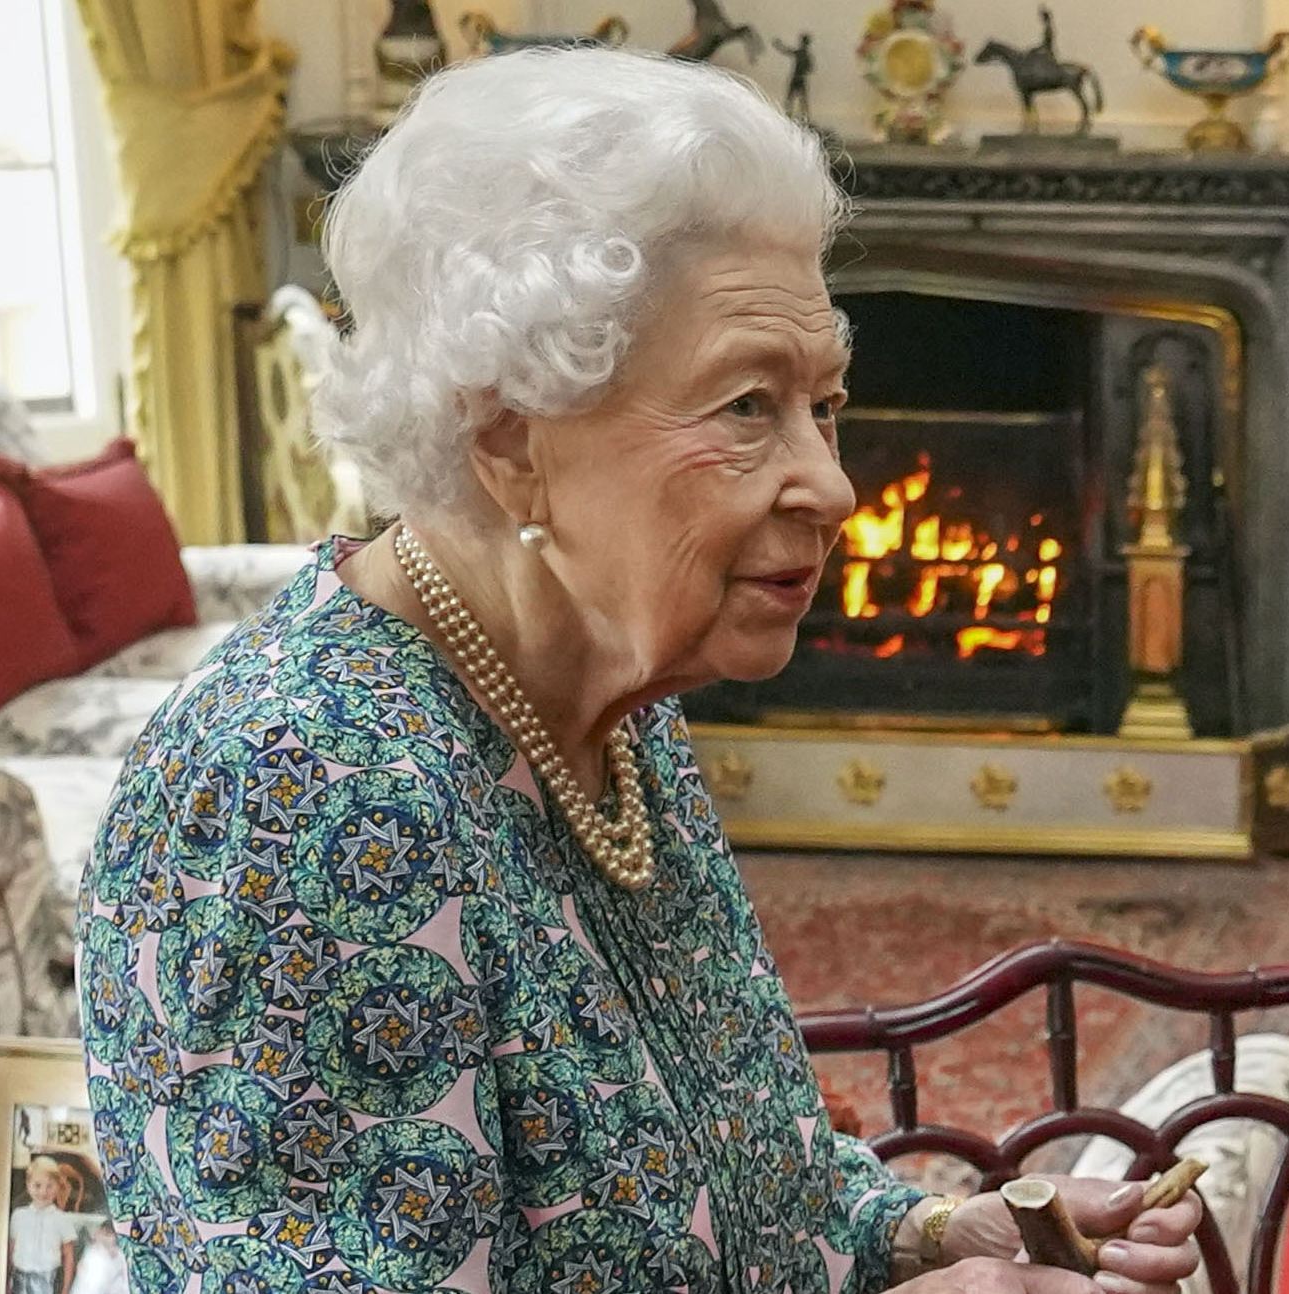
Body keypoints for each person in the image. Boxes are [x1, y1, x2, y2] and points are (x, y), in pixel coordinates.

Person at [76, 46, 1203, 1294]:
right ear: (511, 439)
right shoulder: (297, 799)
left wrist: (946, 1233)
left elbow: (741, 1175)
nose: (831, 486)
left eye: (820, 403)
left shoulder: (606, 707)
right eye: (742, 408)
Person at [5, 1160, 70, 1294]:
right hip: (20, 1278)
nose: (43, 1192)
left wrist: (65, 1288)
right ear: (28, 1185)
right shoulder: (18, 1216)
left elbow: (68, 1256)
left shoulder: (62, 1219)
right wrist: (5, 1281)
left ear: (58, 1187)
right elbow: (10, 1250)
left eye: (50, 1186)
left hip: (48, 1279)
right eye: (37, 1185)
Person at [67, 1222, 123, 1294]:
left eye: (110, 1234)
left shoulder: (120, 1256)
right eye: (106, 1234)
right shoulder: (92, 1254)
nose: (111, 1239)